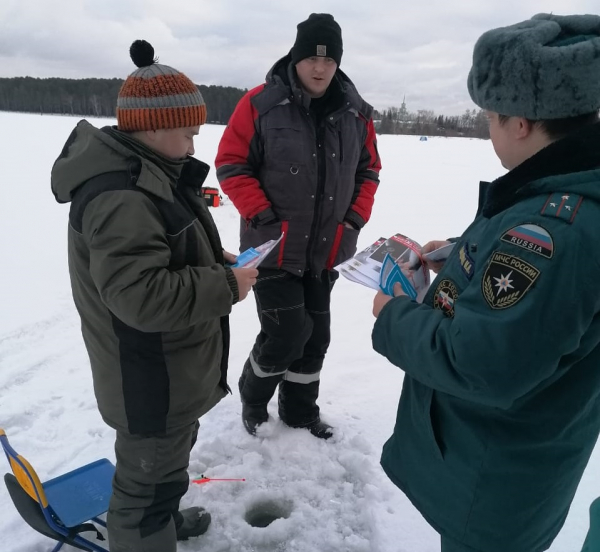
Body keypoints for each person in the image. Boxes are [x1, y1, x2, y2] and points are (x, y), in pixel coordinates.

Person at [371, 13, 600, 552]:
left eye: (491, 118)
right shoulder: (562, 192)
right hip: (509, 462)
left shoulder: (554, 229)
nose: (490, 131)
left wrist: (392, 314)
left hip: (494, 476)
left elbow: (480, 364)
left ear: (520, 122)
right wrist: (459, 254)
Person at [50, 40, 257, 552]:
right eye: (187, 133)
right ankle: (147, 534)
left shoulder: (151, 173)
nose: (192, 145)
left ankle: (162, 520)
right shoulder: (121, 195)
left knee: (167, 467)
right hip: (147, 377)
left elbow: (163, 252)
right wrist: (226, 285)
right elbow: (139, 297)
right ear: (151, 127)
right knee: (142, 491)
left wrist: (216, 262)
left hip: (169, 373)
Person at [215, 13, 381, 440]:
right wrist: (263, 216)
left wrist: (353, 220)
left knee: (315, 337)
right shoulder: (259, 105)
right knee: (287, 331)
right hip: (273, 248)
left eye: (328, 60)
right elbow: (231, 165)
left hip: (327, 249)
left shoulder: (356, 115)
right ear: (296, 56)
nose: (319, 68)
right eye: (311, 58)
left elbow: (369, 172)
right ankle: (253, 398)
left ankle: (300, 411)